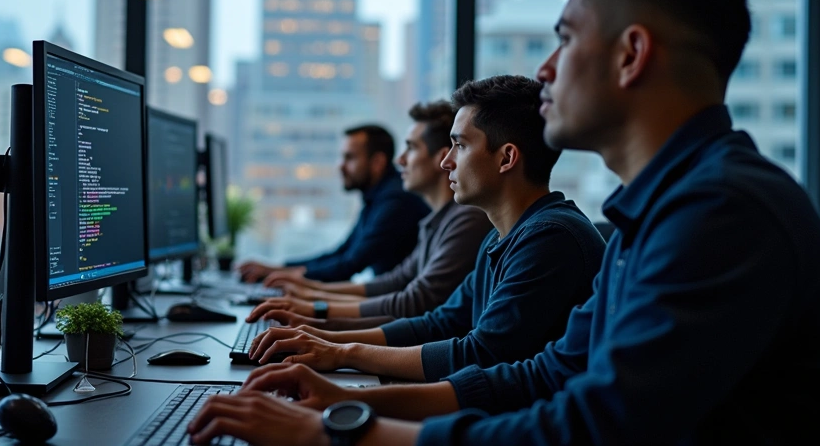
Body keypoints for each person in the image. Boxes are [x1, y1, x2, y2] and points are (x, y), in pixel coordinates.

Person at [187, 0, 820, 445]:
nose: (544, 71)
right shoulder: (647, 215)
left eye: (565, 39)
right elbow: (545, 375)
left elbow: (590, 428)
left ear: (632, 55)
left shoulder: (722, 212)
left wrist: (333, 429)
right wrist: (340, 395)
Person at [243, 75, 605, 383]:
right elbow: (440, 322)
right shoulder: (501, 235)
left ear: (507, 158)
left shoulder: (550, 239)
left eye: (459, 146)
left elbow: (479, 354)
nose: (446, 161)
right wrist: (323, 336)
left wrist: (340, 349)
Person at [249, 101, 492, 327]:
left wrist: (315, 309)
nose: (400, 160)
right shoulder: (435, 219)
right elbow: (393, 281)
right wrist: (309, 294)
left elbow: (410, 300)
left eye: (411, 148)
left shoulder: (439, 212)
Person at [237, 124, 431, 284]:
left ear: (377, 162)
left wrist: (281, 276)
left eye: (350, 158)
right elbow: (342, 252)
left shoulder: (395, 201)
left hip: (400, 311)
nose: (340, 165)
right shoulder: (378, 196)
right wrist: (277, 268)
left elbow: (349, 265)